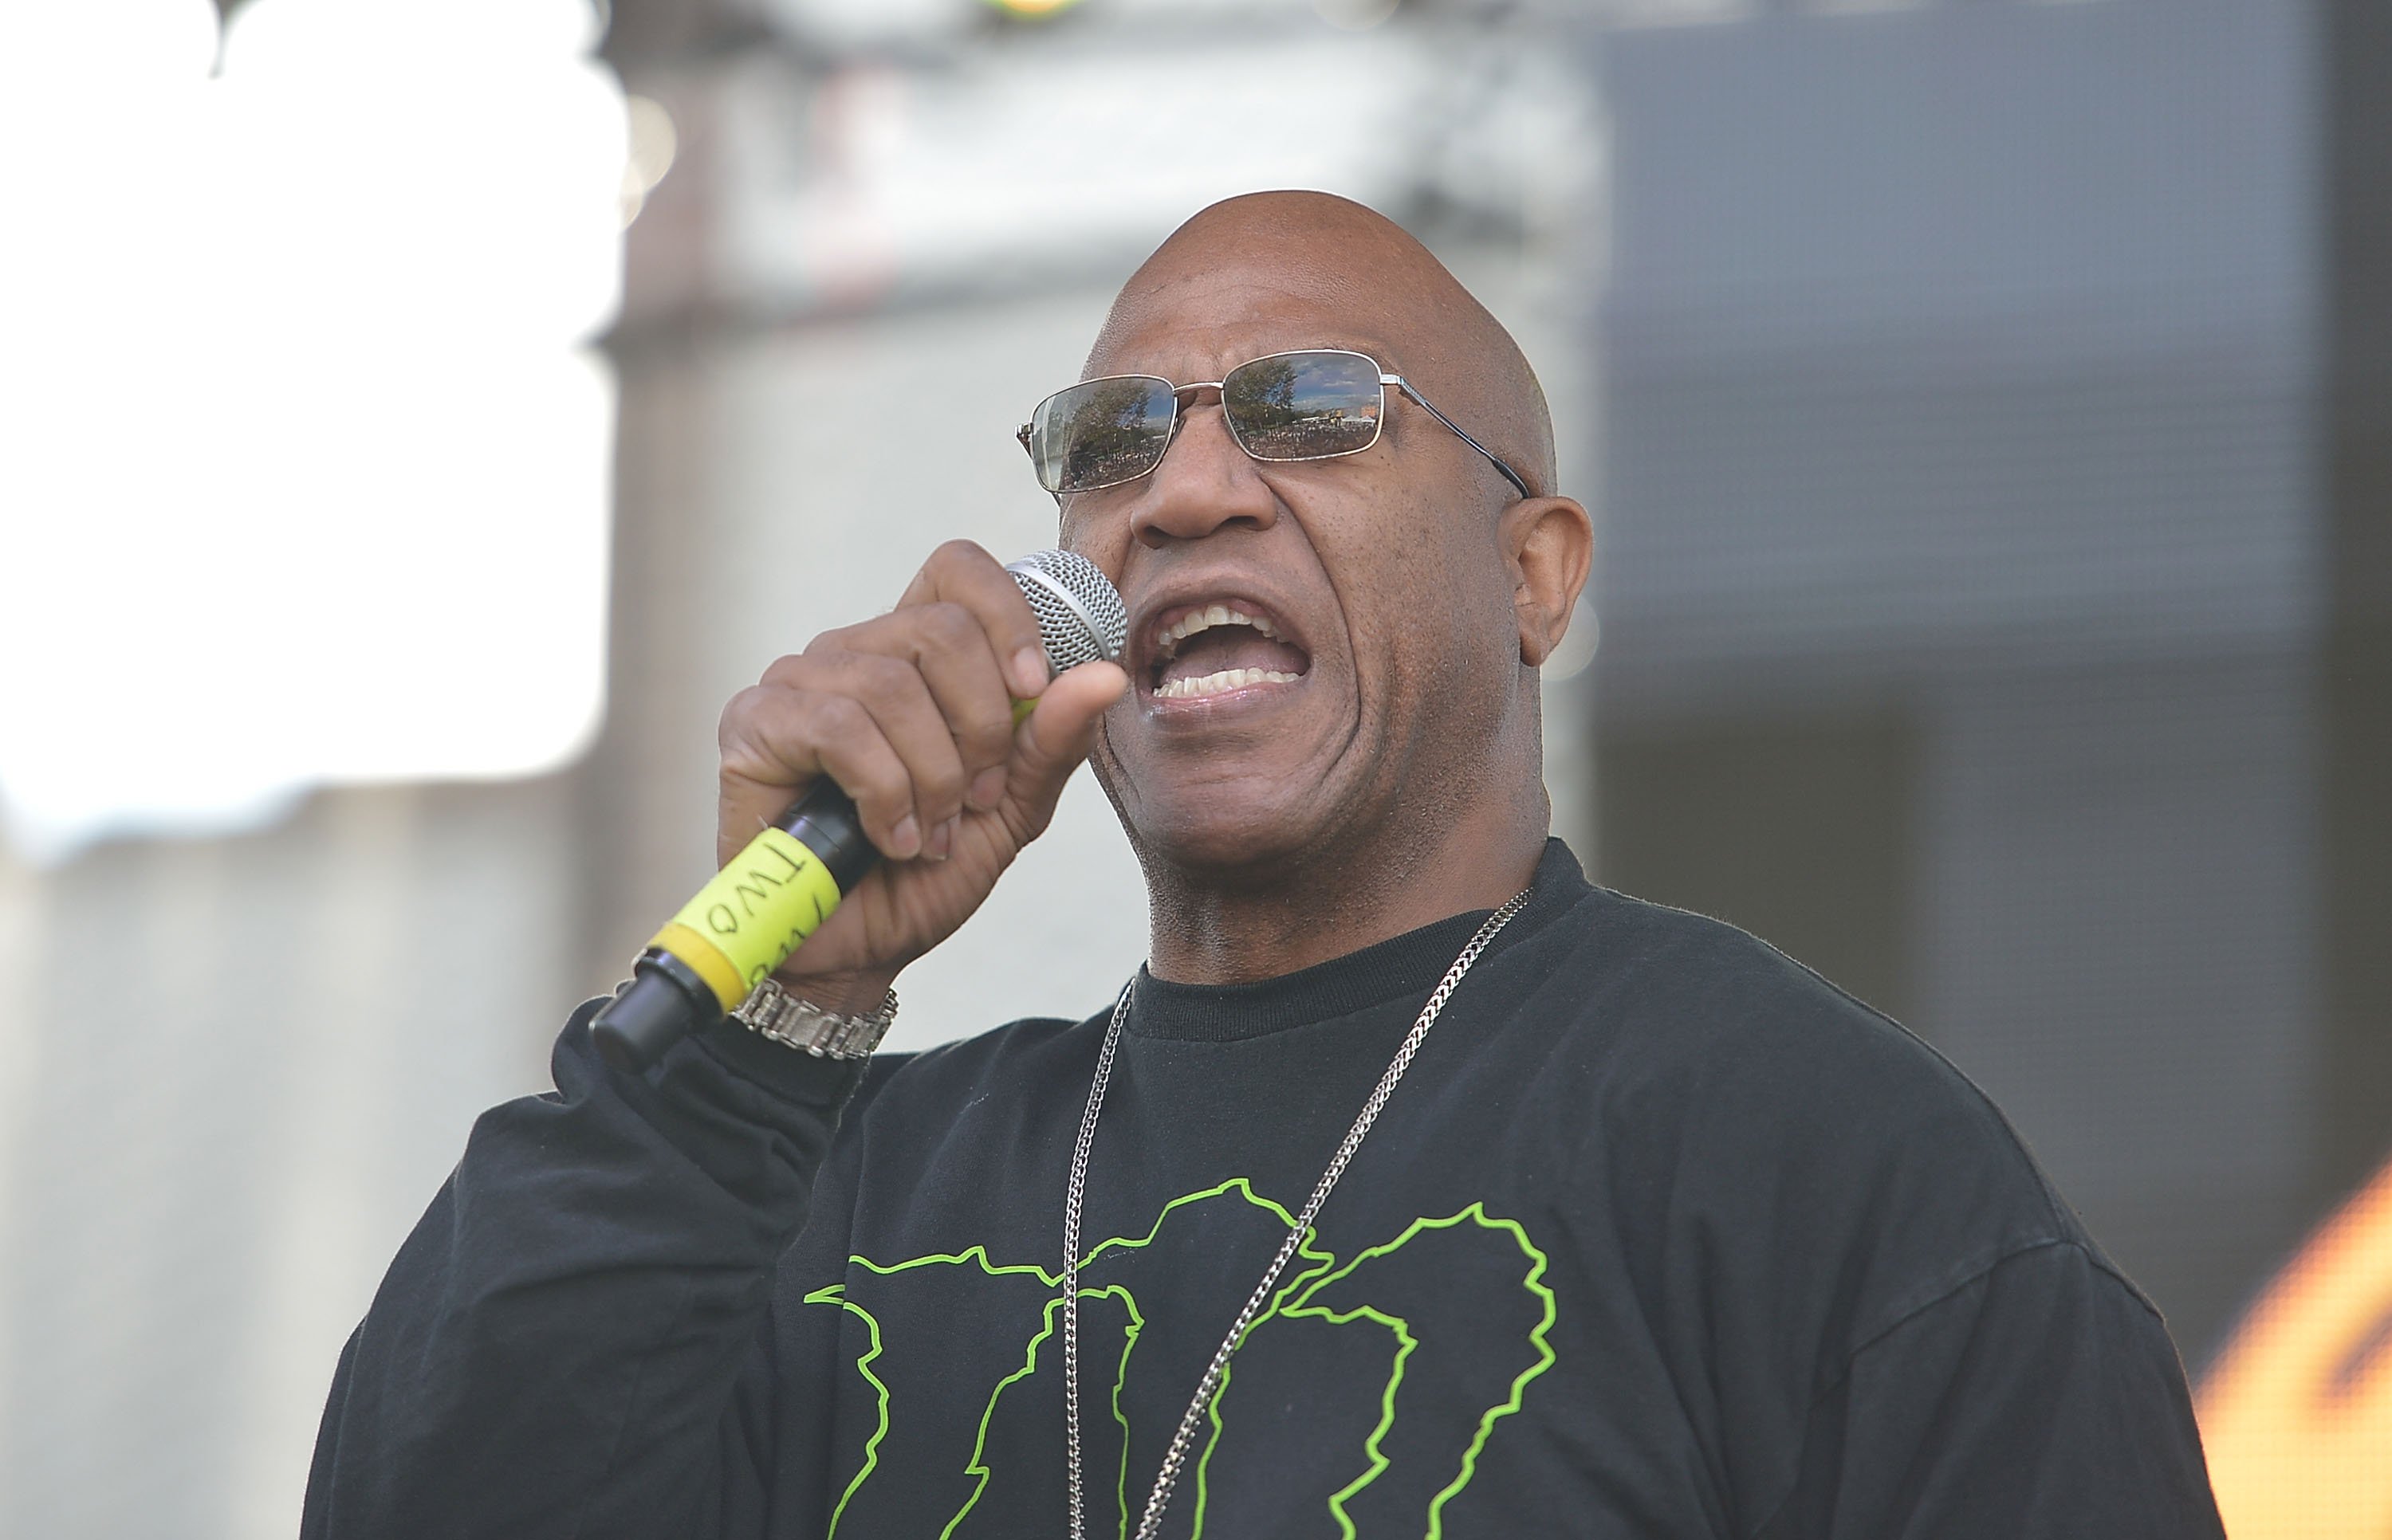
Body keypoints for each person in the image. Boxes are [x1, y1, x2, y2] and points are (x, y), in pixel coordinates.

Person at [301, 191, 2225, 1538]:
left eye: (1312, 411)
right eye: (1115, 440)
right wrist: (759, 1032)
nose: (1190, 489)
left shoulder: (1805, 1151)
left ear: (1534, 570)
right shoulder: (832, 1192)